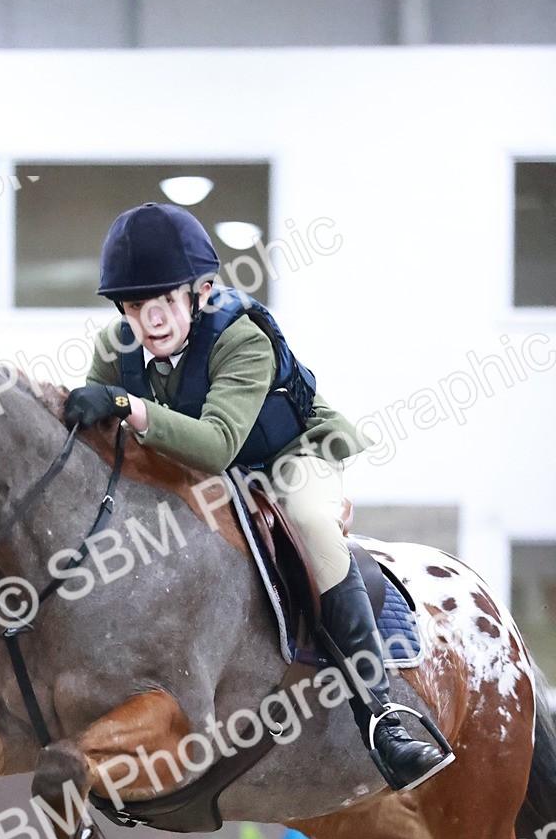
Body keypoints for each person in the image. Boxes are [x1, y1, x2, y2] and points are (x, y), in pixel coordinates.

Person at [63, 201, 454, 791]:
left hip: (288, 456)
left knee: (311, 522)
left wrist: (130, 408)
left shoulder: (242, 340)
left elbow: (219, 444)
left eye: (166, 301)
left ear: (201, 292)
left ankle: (381, 714)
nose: (153, 319)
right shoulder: (116, 348)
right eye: (138, 307)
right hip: (199, 472)